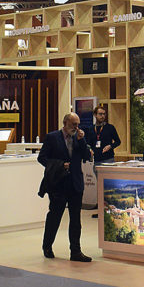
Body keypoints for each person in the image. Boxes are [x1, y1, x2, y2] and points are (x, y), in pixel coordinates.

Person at [37, 112, 92, 261]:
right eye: (73, 124)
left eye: (78, 124)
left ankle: (76, 251)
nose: (76, 127)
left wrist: (82, 140)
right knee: (54, 217)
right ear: (65, 123)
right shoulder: (52, 137)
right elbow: (42, 158)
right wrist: (60, 165)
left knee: (76, 220)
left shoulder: (78, 138)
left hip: (75, 183)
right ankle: (47, 246)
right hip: (58, 184)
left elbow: (87, 157)